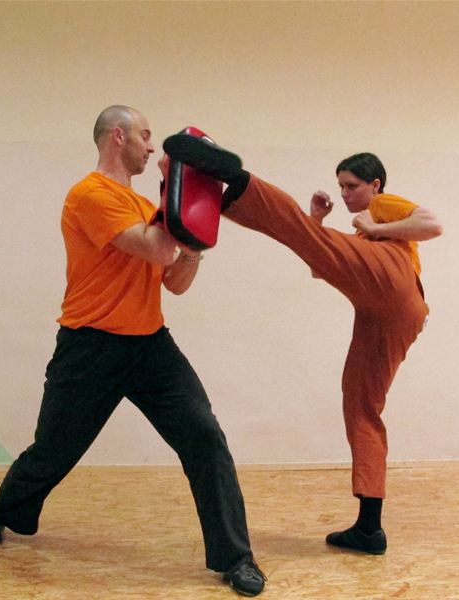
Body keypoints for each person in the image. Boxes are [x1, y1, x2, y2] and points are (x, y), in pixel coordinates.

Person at [0, 106, 266, 597]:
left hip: (150, 346)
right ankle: (1, 515)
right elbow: (155, 247)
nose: (152, 146)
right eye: (146, 136)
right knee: (53, 450)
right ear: (118, 136)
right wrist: (180, 187)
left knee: (204, 435)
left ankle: (236, 557)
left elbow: (175, 281)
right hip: (90, 345)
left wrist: (195, 244)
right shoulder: (90, 194)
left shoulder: (144, 204)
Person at [162, 133, 443, 555]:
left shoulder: (382, 205)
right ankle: (369, 528)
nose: (346, 194)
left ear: (375, 185)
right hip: (388, 314)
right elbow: (319, 263)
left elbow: (432, 225)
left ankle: (238, 182)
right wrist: (317, 220)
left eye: (353, 186)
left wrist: (376, 226)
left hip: (395, 282)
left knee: (306, 236)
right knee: (360, 405)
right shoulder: (358, 237)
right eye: (341, 186)